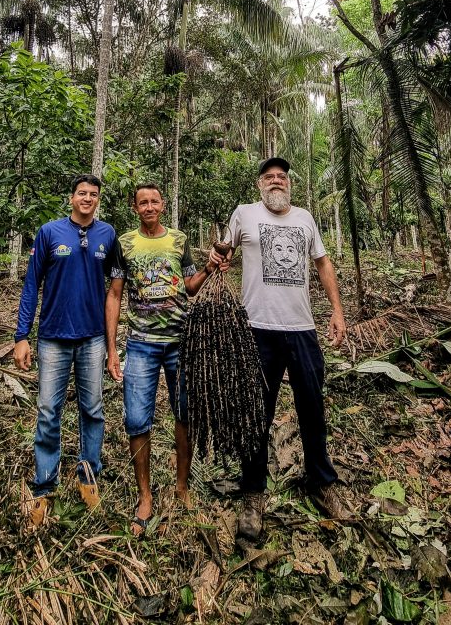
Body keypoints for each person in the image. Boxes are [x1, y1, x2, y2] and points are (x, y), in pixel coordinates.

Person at [210, 156, 349, 540]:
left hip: (302, 328)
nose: (276, 181)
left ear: (289, 184)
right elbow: (224, 253)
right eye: (269, 177)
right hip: (257, 329)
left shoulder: (305, 218)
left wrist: (336, 311)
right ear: (259, 184)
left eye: (282, 177)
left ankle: (321, 483)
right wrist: (216, 258)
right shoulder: (244, 214)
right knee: (257, 413)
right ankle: (253, 493)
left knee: (312, 408)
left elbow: (322, 263)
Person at [13, 174, 121, 527]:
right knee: (48, 411)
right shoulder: (49, 232)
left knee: (92, 409)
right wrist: (21, 336)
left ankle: (88, 474)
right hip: (53, 337)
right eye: (81, 193)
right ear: (71, 198)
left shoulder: (108, 235)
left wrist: (111, 344)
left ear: (98, 200)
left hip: (91, 338)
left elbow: (114, 292)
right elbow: (32, 285)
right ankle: (44, 484)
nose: (87, 199)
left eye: (93, 194)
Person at [105, 183, 212, 536]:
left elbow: (191, 285)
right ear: (135, 208)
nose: (149, 206)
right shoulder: (124, 244)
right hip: (141, 345)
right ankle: (145, 495)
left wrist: (210, 267)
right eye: (142, 202)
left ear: (162, 205)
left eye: (154, 201)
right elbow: (116, 294)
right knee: (137, 419)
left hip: (181, 342)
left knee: (184, 413)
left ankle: (182, 486)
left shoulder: (179, 241)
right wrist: (111, 348)